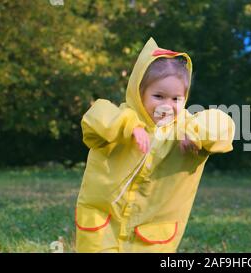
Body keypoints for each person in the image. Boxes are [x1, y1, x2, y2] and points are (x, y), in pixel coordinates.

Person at [75, 37, 235, 252]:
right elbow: (96, 116)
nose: (167, 106)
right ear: (139, 93)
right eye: (158, 96)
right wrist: (129, 127)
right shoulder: (122, 116)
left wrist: (196, 133)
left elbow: (223, 124)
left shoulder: (186, 127)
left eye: (176, 99)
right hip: (103, 225)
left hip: (151, 234)